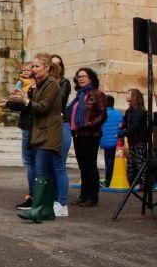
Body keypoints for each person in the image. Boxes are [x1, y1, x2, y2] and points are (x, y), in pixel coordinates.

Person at [8, 53, 63, 223]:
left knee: (41, 172)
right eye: (32, 66)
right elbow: (29, 106)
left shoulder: (51, 85)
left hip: (48, 133)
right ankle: (46, 210)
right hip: (40, 132)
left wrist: (25, 99)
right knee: (43, 172)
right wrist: (10, 103)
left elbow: (43, 108)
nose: (33, 69)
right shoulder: (39, 84)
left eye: (37, 66)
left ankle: (37, 209)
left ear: (47, 67)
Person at [65, 68, 106, 207]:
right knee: (83, 166)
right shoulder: (79, 96)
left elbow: (102, 115)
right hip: (78, 134)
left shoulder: (97, 94)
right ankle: (83, 195)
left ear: (91, 78)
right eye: (78, 77)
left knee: (90, 165)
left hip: (91, 134)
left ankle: (92, 197)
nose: (81, 79)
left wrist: (88, 124)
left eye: (84, 76)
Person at [5, 62, 35, 209]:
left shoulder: (37, 85)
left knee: (30, 162)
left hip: (32, 126)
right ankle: (34, 194)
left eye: (33, 68)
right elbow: (18, 98)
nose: (29, 71)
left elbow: (29, 105)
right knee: (30, 162)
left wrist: (18, 100)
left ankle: (34, 195)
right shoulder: (23, 81)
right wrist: (10, 103)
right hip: (27, 124)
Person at [48, 54, 71, 217]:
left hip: (61, 125)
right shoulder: (45, 84)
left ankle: (62, 203)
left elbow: (58, 100)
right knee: (50, 167)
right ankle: (54, 200)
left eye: (58, 64)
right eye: (52, 64)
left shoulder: (63, 83)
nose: (56, 67)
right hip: (49, 127)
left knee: (59, 166)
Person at [119, 88, 149, 184]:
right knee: (131, 162)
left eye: (129, 94)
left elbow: (135, 126)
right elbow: (127, 121)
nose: (126, 96)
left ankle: (144, 183)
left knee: (140, 162)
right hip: (132, 140)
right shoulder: (130, 110)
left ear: (134, 97)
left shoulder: (139, 110)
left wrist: (124, 132)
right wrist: (122, 125)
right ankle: (132, 182)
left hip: (139, 141)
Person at [100, 95, 123, 187]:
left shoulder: (102, 114)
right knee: (114, 162)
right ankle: (113, 179)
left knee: (108, 162)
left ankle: (108, 181)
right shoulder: (119, 114)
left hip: (105, 141)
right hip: (116, 141)